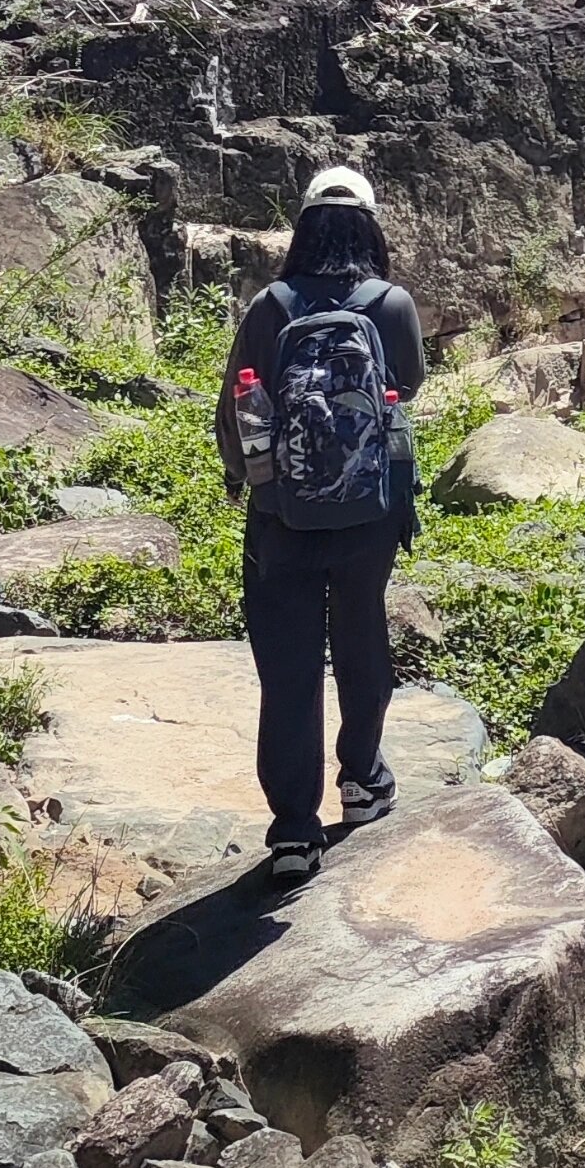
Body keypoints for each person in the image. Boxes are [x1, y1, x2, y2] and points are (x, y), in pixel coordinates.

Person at [216, 163, 426, 887]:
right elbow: (408, 388)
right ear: (370, 225)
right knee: (363, 640)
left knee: (289, 672)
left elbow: (233, 417)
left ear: (302, 228)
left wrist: (251, 482)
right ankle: (363, 780)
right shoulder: (389, 303)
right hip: (369, 517)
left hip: (282, 521)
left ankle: (294, 834)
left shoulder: (270, 305)